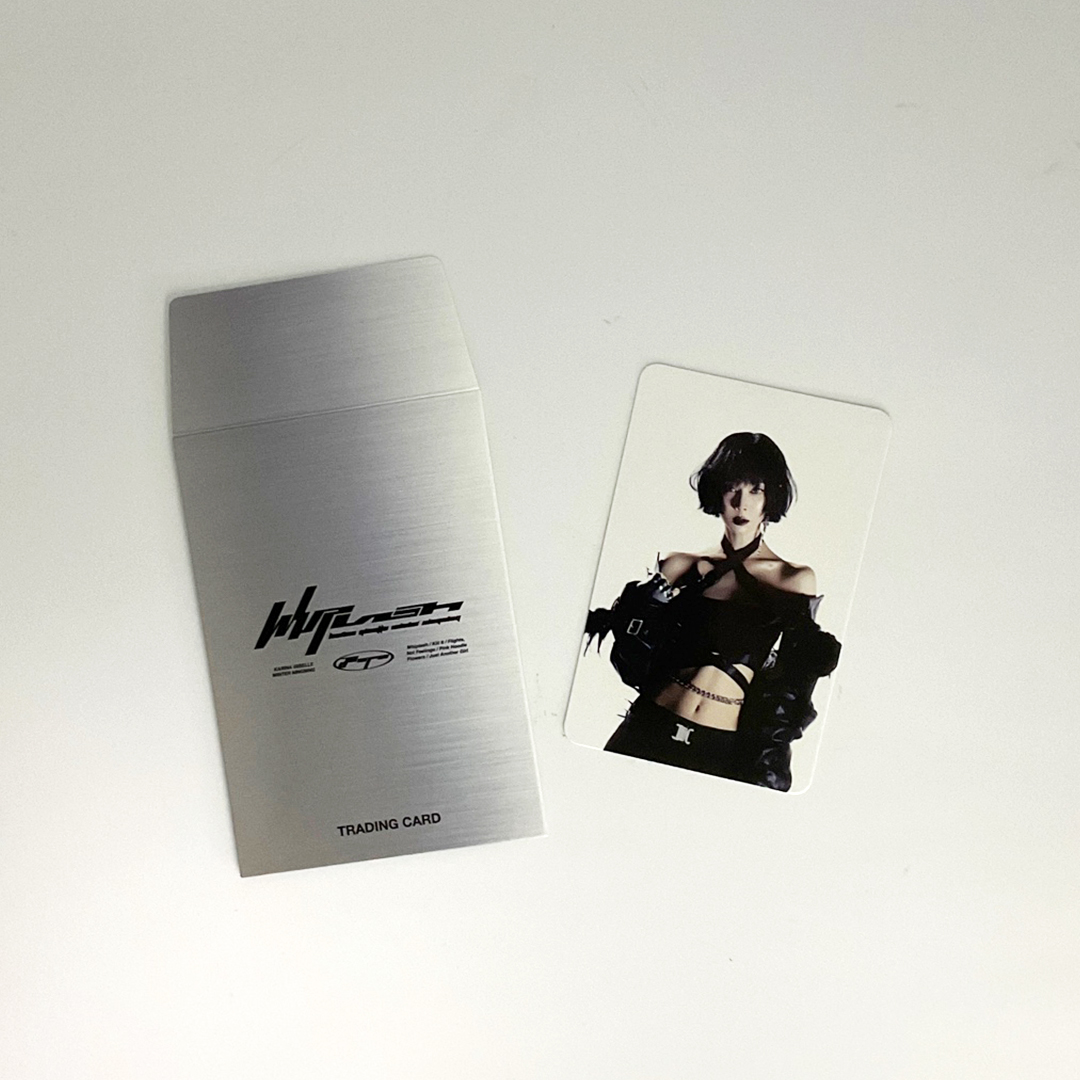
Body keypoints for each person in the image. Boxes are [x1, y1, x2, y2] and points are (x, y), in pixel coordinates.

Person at [595, 432, 840, 790]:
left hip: (718, 749)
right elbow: (630, 655)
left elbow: (793, 689)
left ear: (770, 497)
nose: (741, 503)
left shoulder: (793, 579)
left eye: (755, 490)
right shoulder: (679, 566)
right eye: (732, 488)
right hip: (648, 728)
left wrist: (767, 766)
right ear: (717, 492)